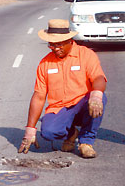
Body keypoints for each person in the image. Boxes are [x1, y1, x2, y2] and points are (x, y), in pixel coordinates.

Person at [18, 19, 107, 158]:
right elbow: (39, 96)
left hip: (84, 104)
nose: (55, 48)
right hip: (60, 108)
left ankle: (86, 142)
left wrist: (96, 95)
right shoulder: (45, 63)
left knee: (99, 97)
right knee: (48, 132)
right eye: (51, 45)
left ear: (70, 41)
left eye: (59, 44)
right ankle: (72, 134)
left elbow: (98, 78)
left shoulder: (86, 55)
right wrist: (30, 129)